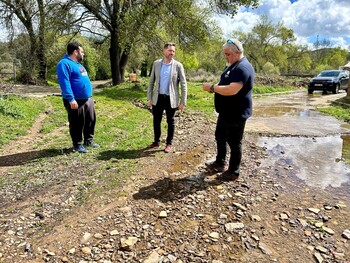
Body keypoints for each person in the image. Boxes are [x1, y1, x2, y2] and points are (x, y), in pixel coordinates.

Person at [202, 38, 254, 181]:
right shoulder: (233, 65)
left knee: (234, 142)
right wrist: (215, 87)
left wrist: (212, 88)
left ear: (237, 52)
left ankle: (233, 171)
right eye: (225, 54)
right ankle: (220, 162)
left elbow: (232, 89)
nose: (226, 57)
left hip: (236, 113)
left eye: (228, 54)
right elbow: (224, 82)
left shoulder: (242, 68)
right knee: (220, 136)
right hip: (226, 112)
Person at [56, 41, 99, 153]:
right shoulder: (64, 64)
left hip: (87, 99)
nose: (83, 54)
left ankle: (88, 141)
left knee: (90, 120)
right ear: (76, 52)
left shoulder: (79, 65)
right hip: (75, 100)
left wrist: (89, 97)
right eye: (82, 52)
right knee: (76, 122)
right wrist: (71, 99)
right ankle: (77, 144)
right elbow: (64, 83)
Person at [147, 42, 187, 153]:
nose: (172, 53)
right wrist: (149, 97)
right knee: (156, 120)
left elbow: (184, 84)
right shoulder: (156, 64)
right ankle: (156, 141)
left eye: (173, 51)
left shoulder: (178, 66)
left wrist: (183, 101)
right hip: (158, 97)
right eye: (170, 50)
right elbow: (151, 81)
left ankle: (169, 143)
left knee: (171, 121)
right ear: (164, 51)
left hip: (171, 98)